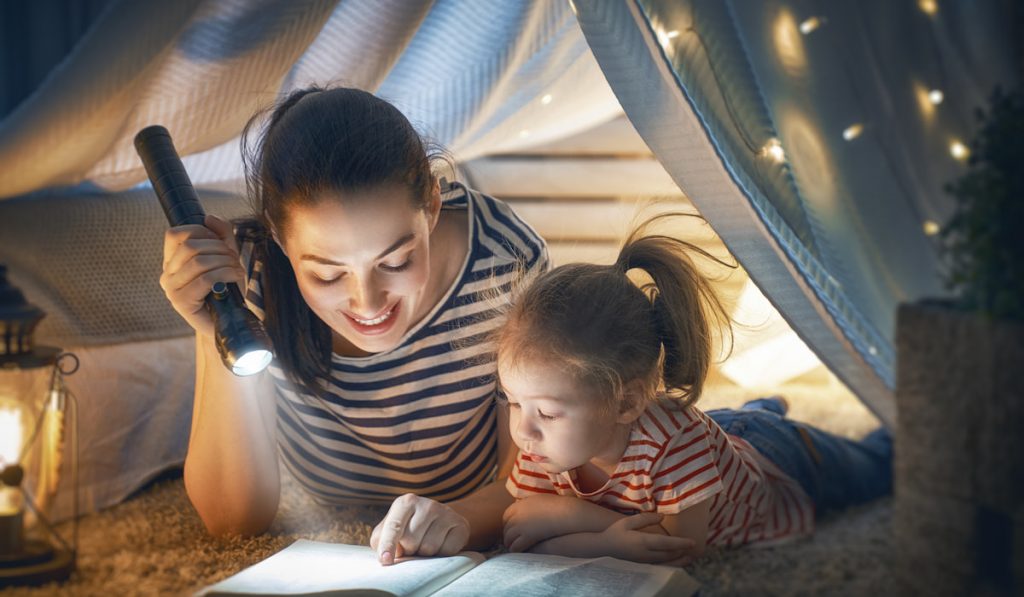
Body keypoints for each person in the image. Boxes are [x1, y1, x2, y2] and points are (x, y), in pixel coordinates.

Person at [159, 86, 548, 561]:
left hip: (464, 495)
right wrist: (217, 326)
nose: (367, 303)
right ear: (279, 237)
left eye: (397, 260)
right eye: (326, 274)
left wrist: (462, 517)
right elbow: (233, 521)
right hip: (328, 510)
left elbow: (533, 478)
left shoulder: (504, 257)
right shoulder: (246, 274)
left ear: (430, 205)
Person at [496, 216, 892, 565]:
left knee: (880, 467)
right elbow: (523, 535)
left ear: (627, 402)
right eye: (513, 402)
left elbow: (680, 548)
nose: (523, 431)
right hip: (718, 439)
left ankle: (769, 417)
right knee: (723, 433)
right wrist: (606, 539)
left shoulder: (675, 442)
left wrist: (573, 519)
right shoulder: (541, 443)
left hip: (782, 462)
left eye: (547, 412)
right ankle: (761, 409)